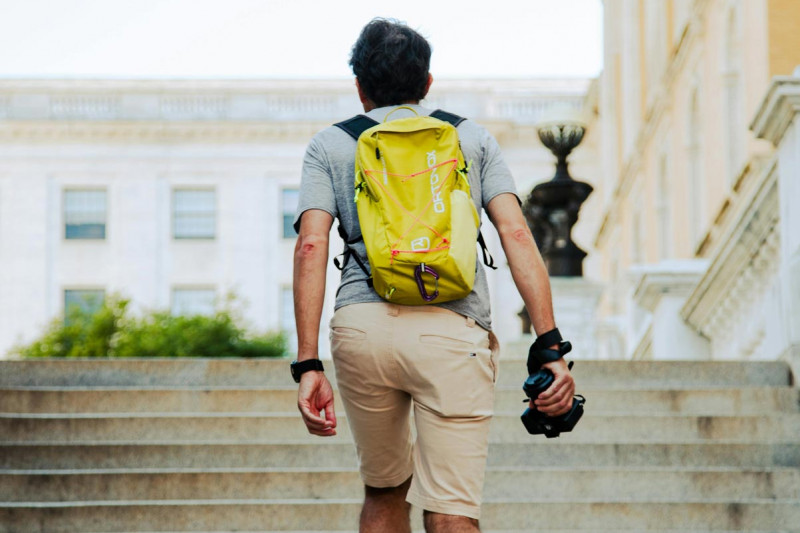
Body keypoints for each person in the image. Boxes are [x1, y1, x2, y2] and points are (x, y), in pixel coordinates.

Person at [292, 18, 575, 533]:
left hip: (362, 328)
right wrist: (549, 345)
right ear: (426, 82)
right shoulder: (471, 137)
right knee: (451, 509)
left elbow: (312, 245)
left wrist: (308, 363)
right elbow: (516, 233)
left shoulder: (330, 145)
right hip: (453, 329)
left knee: (383, 491)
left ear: (359, 86)